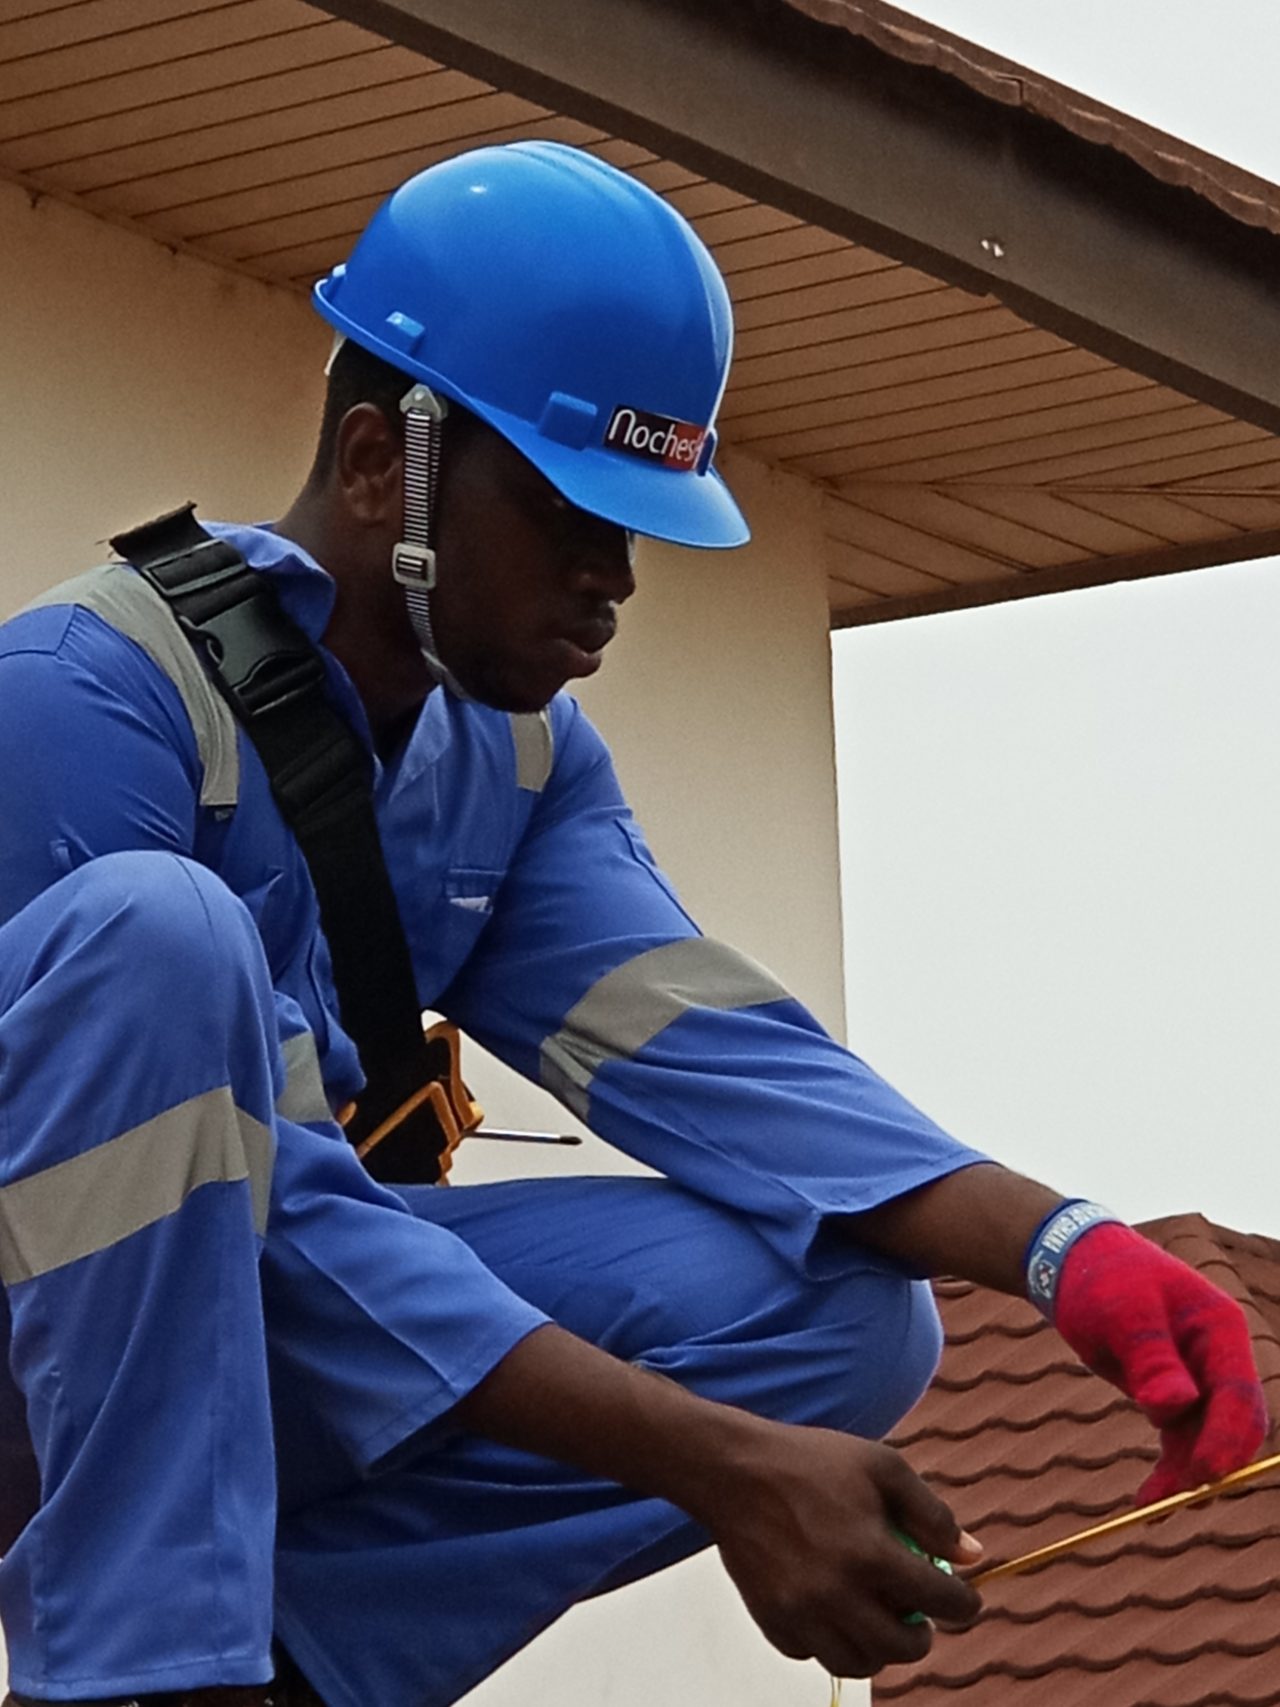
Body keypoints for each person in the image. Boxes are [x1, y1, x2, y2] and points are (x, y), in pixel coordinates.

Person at [0, 141, 1265, 1707]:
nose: (616, 576)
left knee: (852, 1323)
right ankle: (139, 1674)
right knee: (164, 932)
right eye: (566, 511)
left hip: (246, 1346)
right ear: (381, 464)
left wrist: (1067, 1249)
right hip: (43, 1360)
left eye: (638, 526)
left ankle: (288, 1661)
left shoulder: (516, 763)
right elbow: (275, 1209)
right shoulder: (79, 699)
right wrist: (724, 1467)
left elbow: (727, 1067)